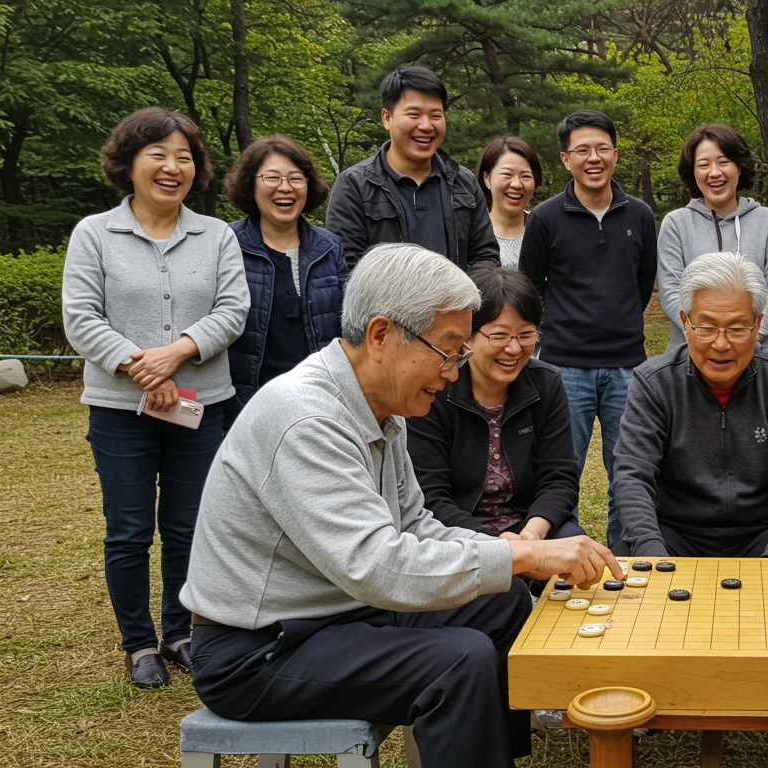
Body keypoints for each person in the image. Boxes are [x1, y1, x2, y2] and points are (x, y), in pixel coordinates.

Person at [181, 244, 621, 768]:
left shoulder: (381, 410)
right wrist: (526, 557)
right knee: (459, 660)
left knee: (500, 602)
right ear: (382, 335)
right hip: (258, 649)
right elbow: (376, 565)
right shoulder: (307, 419)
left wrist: (510, 551)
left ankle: (491, 753)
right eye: (450, 349)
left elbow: (416, 522)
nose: (455, 372)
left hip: (336, 613)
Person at [62, 107, 249, 688]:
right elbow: (80, 317)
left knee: (191, 527)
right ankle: (138, 644)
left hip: (203, 403)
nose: (173, 167)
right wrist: (143, 366)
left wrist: (178, 353)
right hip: (121, 412)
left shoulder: (216, 234)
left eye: (185, 156)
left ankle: (181, 631)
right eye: (158, 155)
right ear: (129, 163)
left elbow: (233, 310)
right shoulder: (94, 233)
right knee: (129, 528)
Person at [612, 252, 768, 558]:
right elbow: (632, 474)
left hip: (764, 533)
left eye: (737, 328)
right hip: (674, 533)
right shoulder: (654, 381)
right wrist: (652, 552)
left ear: (758, 326)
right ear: (686, 323)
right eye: (707, 326)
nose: (722, 344)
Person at [519, 109, 658, 548]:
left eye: (602, 148)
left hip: (627, 365)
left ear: (615, 154)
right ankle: (563, 550)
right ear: (565, 159)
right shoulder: (544, 218)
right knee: (562, 467)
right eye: (582, 150)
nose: (593, 158)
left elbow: (642, 283)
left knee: (629, 470)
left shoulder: (640, 214)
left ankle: (625, 551)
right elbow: (530, 286)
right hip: (564, 365)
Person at [407, 266, 586, 544]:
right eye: (499, 336)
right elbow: (431, 496)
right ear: (467, 336)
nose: (514, 349)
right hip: (458, 535)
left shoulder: (546, 383)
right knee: (506, 586)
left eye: (526, 335)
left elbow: (559, 477)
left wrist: (533, 534)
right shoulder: (435, 390)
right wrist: (500, 546)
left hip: (529, 529)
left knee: (573, 544)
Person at [223, 136, 347, 424]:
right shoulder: (226, 244)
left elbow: (345, 326)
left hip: (317, 402)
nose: (285, 187)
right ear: (249, 184)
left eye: (296, 178)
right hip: (245, 407)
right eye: (272, 177)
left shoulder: (328, 246)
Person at [325, 66, 499, 269]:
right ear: (387, 118)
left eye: (435, 115)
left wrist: (462, 300)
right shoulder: (355, 184)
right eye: (414, 114)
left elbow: (485, 256)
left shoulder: (463, 181)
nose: (426, 126)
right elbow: (345, 266)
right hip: (385, 301)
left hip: (459, 301)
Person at [657, 123, 768, 352]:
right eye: (704, 165)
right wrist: (703, 340)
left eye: (723, 162)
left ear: (739, 167)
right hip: (689, 356)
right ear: (693, 172)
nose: (714, 172)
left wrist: (745, 340)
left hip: (756, 355)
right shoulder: (676, 224)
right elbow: (670, 291)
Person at [476, 136, 541, 268]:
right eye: (507, 174)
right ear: (487, 179)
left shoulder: (545, 232)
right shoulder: (470, 234)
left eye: (526, 176)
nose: (517, 184)